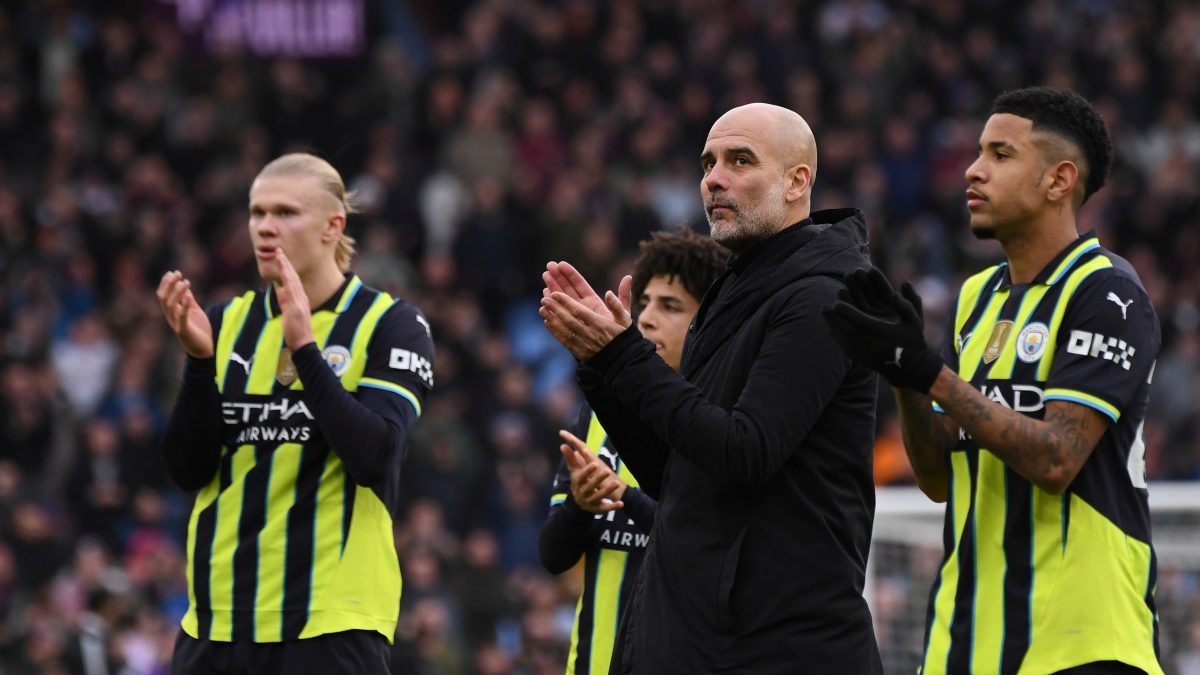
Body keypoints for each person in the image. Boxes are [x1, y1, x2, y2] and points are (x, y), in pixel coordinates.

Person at [824, 87, 1163, 674]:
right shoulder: (976, 299)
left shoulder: (1106, 293)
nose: (973, 170)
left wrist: (930, 373)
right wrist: (904, 376)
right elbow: (937, 480)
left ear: (1059, 180)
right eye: (978, 152)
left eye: (1000, 155)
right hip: (965, 642)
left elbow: (1059, 458)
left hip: (1080, 640)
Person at [540, 103, 883, 674]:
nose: (713, 178)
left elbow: (744, 451)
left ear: (798, 181)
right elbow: (678, 475)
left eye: (740, 160)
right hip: (711, 642)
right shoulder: (738, 290)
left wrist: (624, 357)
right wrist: (600, 366)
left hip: (782, 648)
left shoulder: (823, 296)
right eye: (707, 163)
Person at [156, 153, 434, 674]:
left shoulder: (390, 325)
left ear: (334, 225)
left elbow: (377, 458)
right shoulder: (225, 322)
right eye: (257, 213)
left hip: (330, 621)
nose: (264, 227)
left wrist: (305, 351)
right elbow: (186, 470)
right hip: (217, 620)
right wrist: (198, 364)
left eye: (285, 213)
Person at [537, 228, 727, 675]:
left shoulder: (717, 424)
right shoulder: (598, 413)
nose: (647, 318)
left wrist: (625, 497)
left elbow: (703, 546)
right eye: (643, 304)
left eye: (671, 306)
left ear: (710, 321)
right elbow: (552, 556)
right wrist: (581, 506)